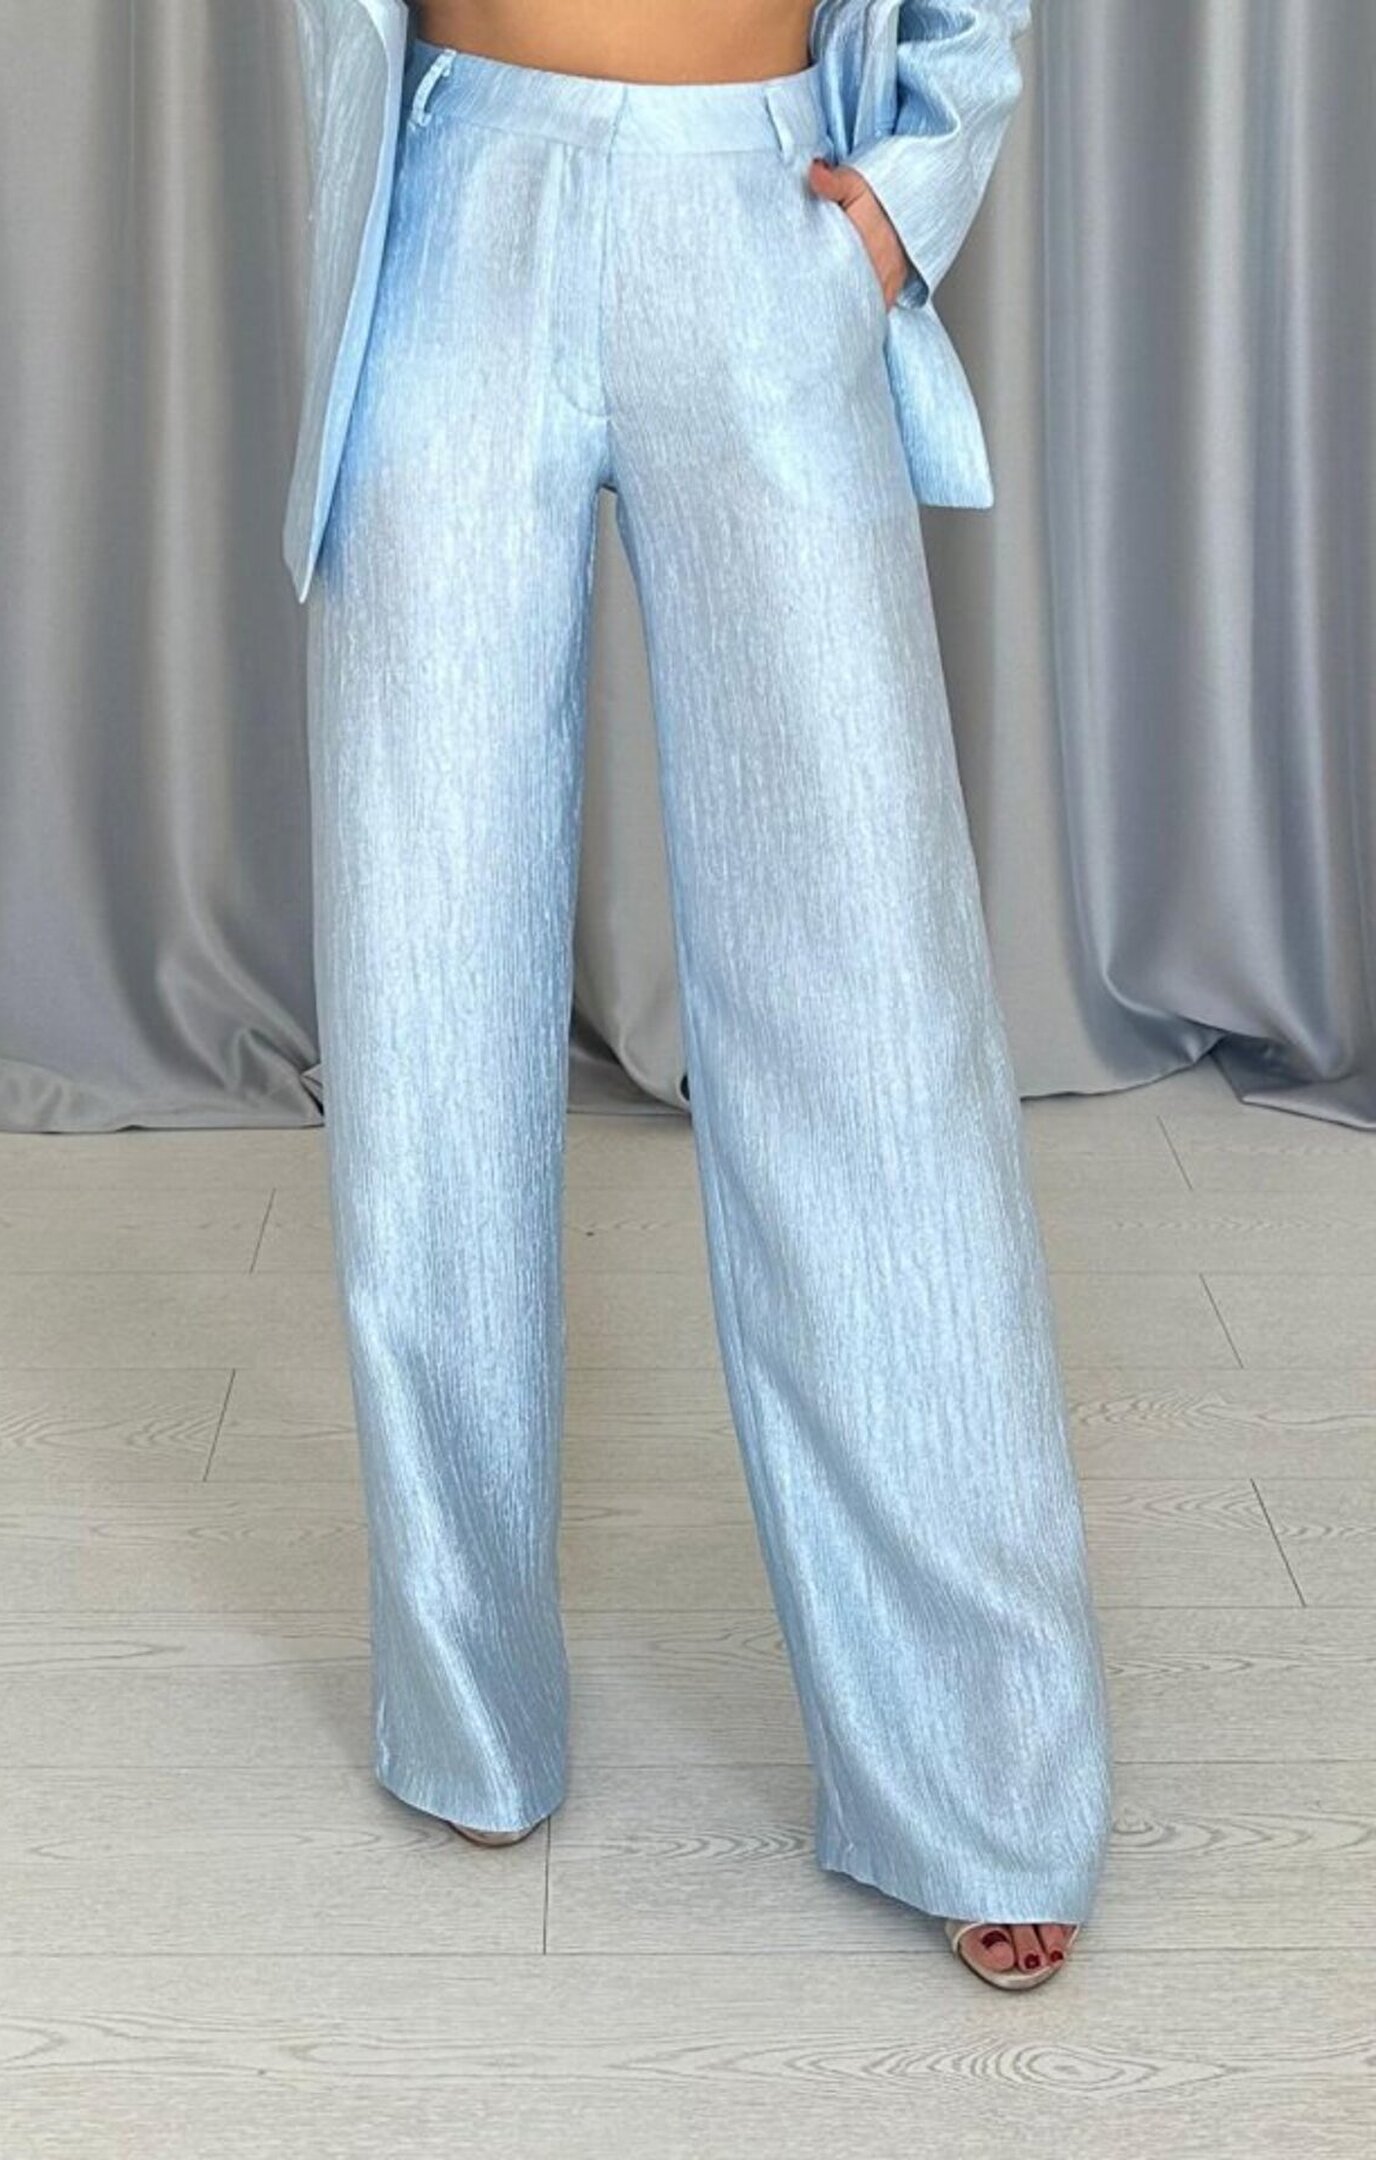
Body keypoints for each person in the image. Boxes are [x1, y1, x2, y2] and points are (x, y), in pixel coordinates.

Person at [283, 0, 1114, 1994]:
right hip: (456, 198)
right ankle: (466, 1700)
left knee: (874, 1017)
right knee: (424, 992)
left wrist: (901, 205)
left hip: (758, 211)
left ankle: (979, 1770)